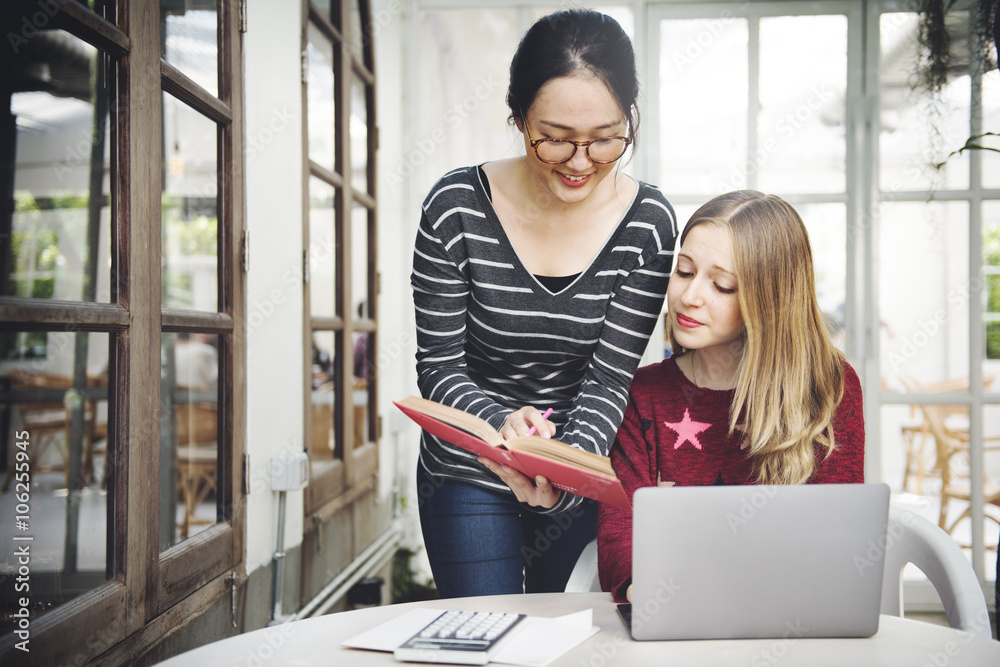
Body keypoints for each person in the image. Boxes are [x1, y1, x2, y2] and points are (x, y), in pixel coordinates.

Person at [411, 9, 678, 598]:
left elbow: (610, 381)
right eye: (554, 138)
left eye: (606, 139)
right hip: (467, 467)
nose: (581, 162)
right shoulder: (456, 208)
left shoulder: (647, 224)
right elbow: (439, 366)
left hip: (581, 460)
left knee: (576, 642)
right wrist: (500, 427)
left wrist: (563, 470)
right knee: (488, 635)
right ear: (517, 113)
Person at [597, 190, 865, 603]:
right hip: (672, 620)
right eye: (684, 272)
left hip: (793, 620)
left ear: (770, 299)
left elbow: (839, 538)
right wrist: (648, 592)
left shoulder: (829, 385)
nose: (690, 296)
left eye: (722, 286)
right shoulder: (642, 393)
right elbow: (619, 534)